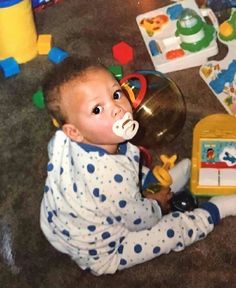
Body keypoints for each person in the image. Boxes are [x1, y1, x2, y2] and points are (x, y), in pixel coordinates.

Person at [40, 57, 236, 276]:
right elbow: (139, 219)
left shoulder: (63, 140)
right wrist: (157, 205)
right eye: (97, 109)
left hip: (63, 220)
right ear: (73, 131)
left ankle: (152, 183)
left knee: (129, 169)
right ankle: (214, 211)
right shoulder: (109, 179)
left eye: (115, 94)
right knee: (169, 233)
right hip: (104, 249)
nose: (116, 109)